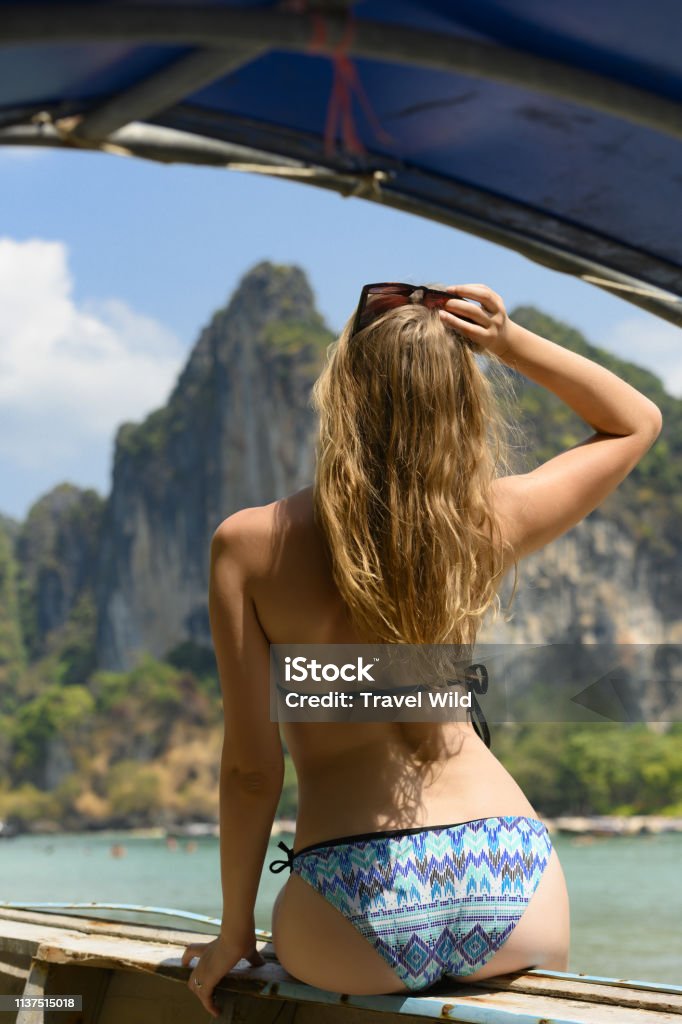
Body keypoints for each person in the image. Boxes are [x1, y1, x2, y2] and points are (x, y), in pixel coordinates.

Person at [182, 281, 662, 1017]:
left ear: (341, 393)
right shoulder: (482, 523)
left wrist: (232, 930)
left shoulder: (248, 547)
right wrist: (507, 340)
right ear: (460, 406)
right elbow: (635, 423)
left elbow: (252, 770)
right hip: (508, 876)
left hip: (351, 897)